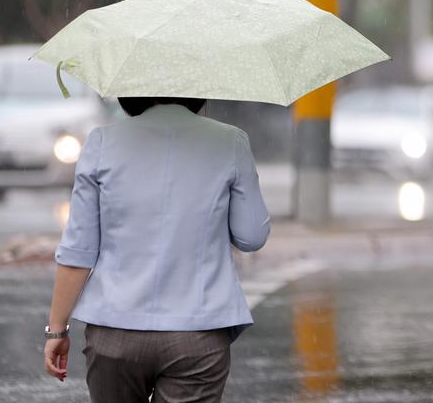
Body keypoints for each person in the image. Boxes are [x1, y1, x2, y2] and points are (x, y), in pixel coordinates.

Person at [43, 97, 270, 403]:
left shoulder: (102, 142)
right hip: (198, 332)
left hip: (114, 330)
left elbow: (78, 251)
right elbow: (252, 236)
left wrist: (57, 330)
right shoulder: (230, 141)